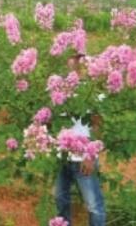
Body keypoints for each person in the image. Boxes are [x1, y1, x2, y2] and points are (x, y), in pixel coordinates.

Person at [54, 54, 106, 226]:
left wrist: (91, 156)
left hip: (83, 158)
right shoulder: (59, 89)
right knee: (60, 197)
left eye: (78, 59)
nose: (74, 63)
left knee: (94, 205)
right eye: (71, 58)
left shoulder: (92, 92)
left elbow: (98, 125)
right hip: (63, 156)